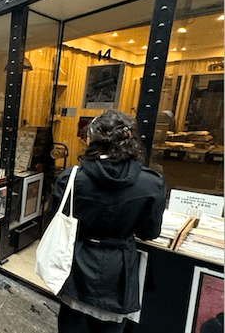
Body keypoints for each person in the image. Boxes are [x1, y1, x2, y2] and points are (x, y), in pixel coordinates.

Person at [48, 110, 166, 333]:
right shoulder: (151, 183)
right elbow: (150, 232)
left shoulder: (71, 178)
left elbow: (53, 222)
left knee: (71, 326)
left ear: (92, 140)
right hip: (119, 271)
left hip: (77, 266)